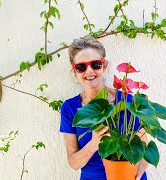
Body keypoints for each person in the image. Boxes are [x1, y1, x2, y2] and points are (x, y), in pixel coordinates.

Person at [59, 37, 148, 180]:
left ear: (104, 65)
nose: (89, 71)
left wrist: (138, 172)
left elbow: (144, 145)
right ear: (75, 71)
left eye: (95, 64)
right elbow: (74, 163)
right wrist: (94, 144)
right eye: (81, 67)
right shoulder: (70, 108)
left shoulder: (128, 101)